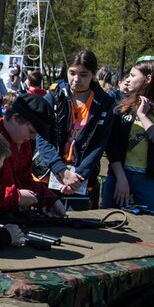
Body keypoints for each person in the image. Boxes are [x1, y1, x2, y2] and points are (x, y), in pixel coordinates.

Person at [36, 50, 114, 209]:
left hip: (80, 180)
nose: (76, 79)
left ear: (93, 75)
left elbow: (99, 144)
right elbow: (41, 137)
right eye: (72, 73)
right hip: (47, 174)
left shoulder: (104, 103)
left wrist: (78, 177)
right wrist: (61, 171)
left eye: (83, 74)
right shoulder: (53, 96)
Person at [103, 60, 154, 212]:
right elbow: (111, 145)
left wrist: (142, 116)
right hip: (119, 176)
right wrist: (120, 178)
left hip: (149, 180)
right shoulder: (122, 107)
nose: (128, 80)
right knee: (110, 223)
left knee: (150, 228)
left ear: (148, 79)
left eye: (132, 75)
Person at [0, 93, 66, 217]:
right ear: (15, 119)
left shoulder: (24, 144)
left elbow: (25, 180)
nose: (33, 137)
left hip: (11, 218)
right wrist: (16, 196)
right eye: (31, 132)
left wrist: (50, 200)